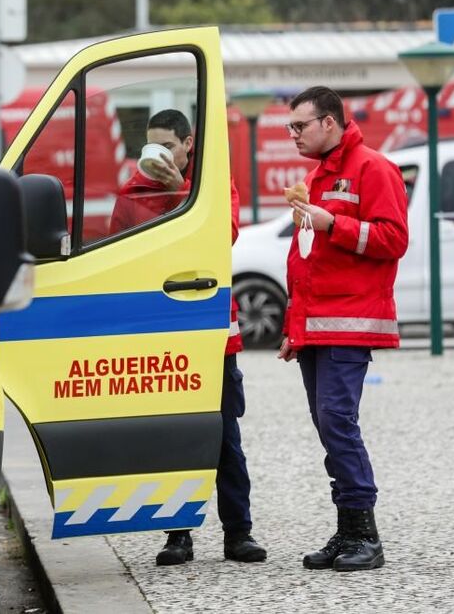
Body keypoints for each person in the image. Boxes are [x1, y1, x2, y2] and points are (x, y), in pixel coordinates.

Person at [112, 109, 267, 566]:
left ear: (188, 144)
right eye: (152, 146)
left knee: (224, 437)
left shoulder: (212, 182)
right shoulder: (134, 190)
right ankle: (177, 535)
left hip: (214, 333)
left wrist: (177, 188)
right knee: (172, 439)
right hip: (160, 332)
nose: (160, 154)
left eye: (169, 145)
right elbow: (121, 249)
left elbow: (223, 234)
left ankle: (238, 533)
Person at [278, 86, 408, 572]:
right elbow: (306, 263)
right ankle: (348, 528)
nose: (292, 134)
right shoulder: (316, 176)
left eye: (300, 126)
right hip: (320, 327)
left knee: (337, 422)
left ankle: (365, 536)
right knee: (328, 426)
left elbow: (395, 239)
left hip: (352, 323)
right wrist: (296, 328)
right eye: (289, 127)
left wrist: (336, 224)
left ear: (329, 122)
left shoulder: (374, 168)